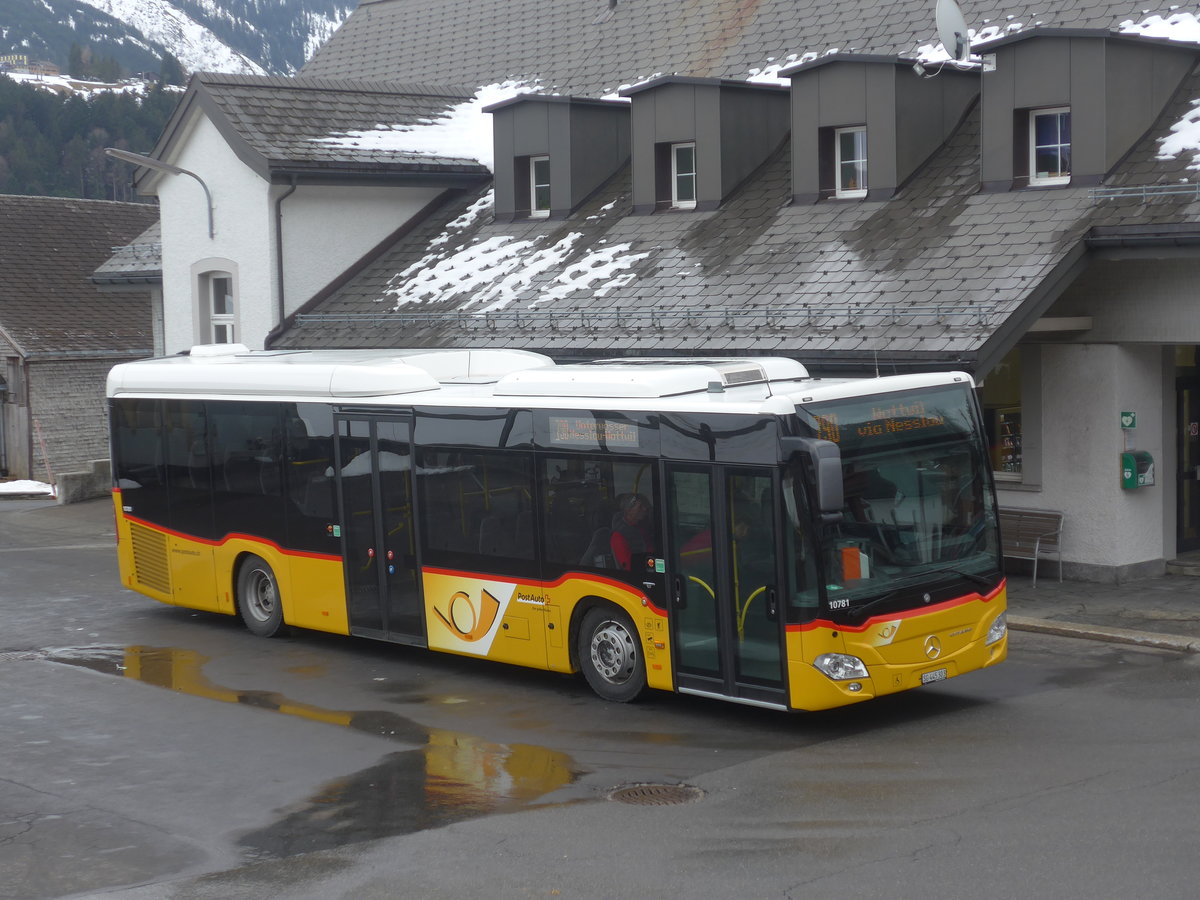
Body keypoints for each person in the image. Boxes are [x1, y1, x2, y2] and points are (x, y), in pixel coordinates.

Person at [610, 493, 654, 569]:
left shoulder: (646, 527)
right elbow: (629, 567)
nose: (644, 509)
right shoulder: (619, 536)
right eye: (640, 507)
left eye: (645, 506)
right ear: (628, 510)